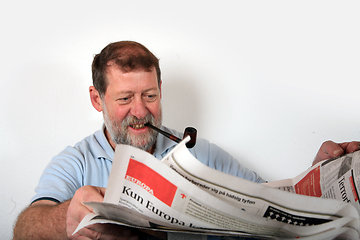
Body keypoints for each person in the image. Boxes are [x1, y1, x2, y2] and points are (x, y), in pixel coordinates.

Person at [12, 41, 360, 240]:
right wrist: (64, 220)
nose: (139, 111)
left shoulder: (200, 153)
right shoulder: (75, 162)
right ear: (96, 99)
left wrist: (317, 176)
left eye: (149, 95)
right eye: (123, 99)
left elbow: (271, 206)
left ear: (161, 90)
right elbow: (25, 227)